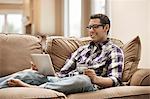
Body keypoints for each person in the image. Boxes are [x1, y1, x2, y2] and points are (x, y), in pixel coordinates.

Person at [0, 14, 124, 94]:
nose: (91, 31)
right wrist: (42, 70)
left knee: (83, 80)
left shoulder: (114, 51)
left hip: (88, 84)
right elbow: (62, 73)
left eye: (95, 27)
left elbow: (115, 80)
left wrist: (95, 79)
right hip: (63, 80)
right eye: (89, 27)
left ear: (106, 27)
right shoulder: (82, 50)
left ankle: (37, 88)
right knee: (29, 73)